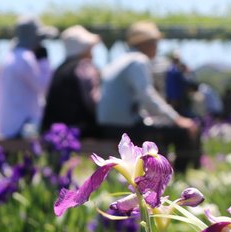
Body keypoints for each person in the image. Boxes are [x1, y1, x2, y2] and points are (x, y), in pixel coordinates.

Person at [97, 21, 199, 173]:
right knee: (183, 132)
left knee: (163, 129)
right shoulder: (139, 60)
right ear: (147, 43)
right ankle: (174, 177)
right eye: (156, 43)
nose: (157, 48)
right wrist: (177, 119)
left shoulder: (120, 60)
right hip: (124, 127)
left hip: (107, 125)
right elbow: (147, 96)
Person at [0, 16, 58, 139]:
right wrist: (44, 62)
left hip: (8, 126)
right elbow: (44, 87)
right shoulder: (25, 58)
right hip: (20, 127)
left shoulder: (9, 57)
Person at [41, 25, 101, 138]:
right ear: (84, 48)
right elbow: (94, 102)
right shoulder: (84, 66)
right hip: (80, 132)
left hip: (54, 132)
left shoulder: (59, 69)